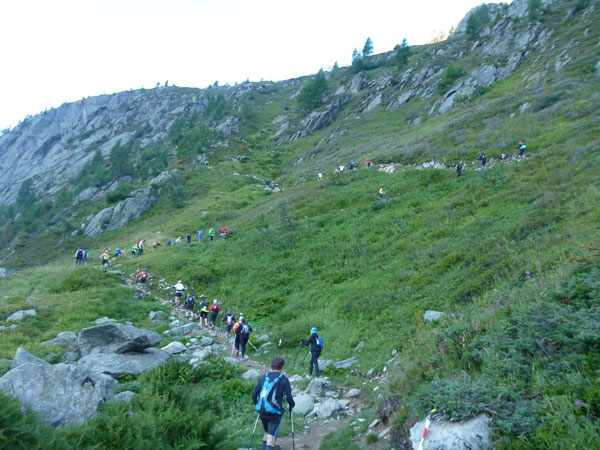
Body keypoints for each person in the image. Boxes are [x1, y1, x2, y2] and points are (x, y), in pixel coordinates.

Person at [252, 356, 295, 450]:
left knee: (267, 432)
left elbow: (254, 395)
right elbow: (289, 398)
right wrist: (292, 405)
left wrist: (258, 405)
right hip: (274, 413)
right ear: (282, 366)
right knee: (271, 438)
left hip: (262, 411)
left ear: (272, 366)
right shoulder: (284, 379)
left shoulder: (263, 378)